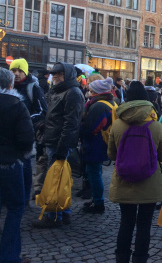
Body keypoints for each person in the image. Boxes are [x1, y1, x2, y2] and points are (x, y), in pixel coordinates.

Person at [108, 81, 162, 263]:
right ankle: (140, 259)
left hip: (123, 181)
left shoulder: (118, 125)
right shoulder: (156, 126)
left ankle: (121, 258)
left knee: (126, 223)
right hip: (149, 183)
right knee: (144, 225)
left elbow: (111, 154)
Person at [32, 62, 85, 228]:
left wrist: (62, 148)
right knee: (60, 178)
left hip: (59, 142)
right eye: (53, 74)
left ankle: (53, 215)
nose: (55, 76)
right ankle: (64, 212)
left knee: (54, 180)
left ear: (67, 75)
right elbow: (54, 116)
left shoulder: (72, 92)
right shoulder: (57, 90)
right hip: (52, 139)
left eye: (59, 74)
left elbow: (71, 123)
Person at [0, 68, 35, 263]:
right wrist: (20, 156)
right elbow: (26, 138)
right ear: (10, 85)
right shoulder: (17, 105)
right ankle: (9, 256)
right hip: (10, 163)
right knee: (15, 208)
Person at [10, 58, 48, 206]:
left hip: (27, 132)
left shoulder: (33, 88)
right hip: (10, 133)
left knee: (25, 163)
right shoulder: (8, 86)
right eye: (14, 70)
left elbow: (42, 111)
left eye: (20, 71)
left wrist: (24, 121)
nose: (17, 74)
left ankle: (24, 197)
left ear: (25, 72)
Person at [80, 79, 116, 214]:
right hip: (101, 143)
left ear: (96, 92)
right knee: (96, 172)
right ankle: (96, 199)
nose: (89, 92)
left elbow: (90, 128)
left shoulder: (98, 106)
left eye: (91, 90)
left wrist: (80, 130)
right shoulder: (109, 102)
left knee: (93, 173)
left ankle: (99, 203)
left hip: (95, 144)